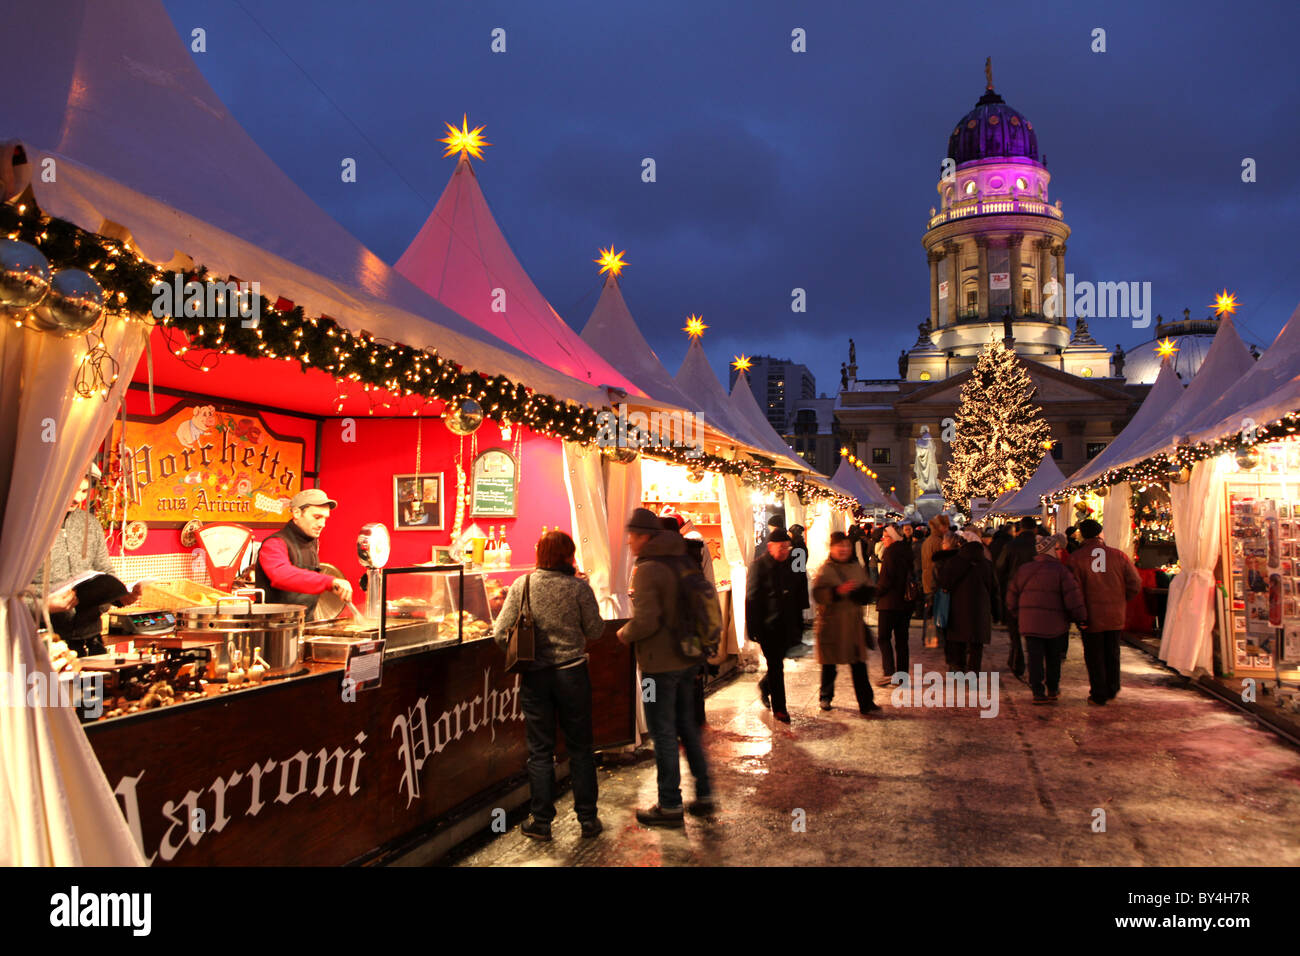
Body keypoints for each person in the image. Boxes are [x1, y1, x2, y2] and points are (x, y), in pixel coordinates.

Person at [492, 531, 605, 840]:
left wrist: (526, 651)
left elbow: (500, 632)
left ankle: (541, 821)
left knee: (540, 750)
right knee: (580, 748)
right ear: (569, 557)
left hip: (536, 677)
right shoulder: (579, 588)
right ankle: (588, 820)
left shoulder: (522, 585)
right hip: (572, 674)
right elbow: (595, 630)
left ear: (540, 554)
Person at [618, 508, 715, 827]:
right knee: (687, 727)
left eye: (633, 535)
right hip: (687, 658)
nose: (630, 541)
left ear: (646, 536)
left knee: (662, 732)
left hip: (659, 664)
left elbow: (646, 621)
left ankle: (670, 804)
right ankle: (704, 793)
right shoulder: (682, 557)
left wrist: (623, 633)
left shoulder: (648, 568)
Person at [29, 467, 141, 656]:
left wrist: (119, 596)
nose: (77, 499)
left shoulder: (90, 524)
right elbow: (6, 596)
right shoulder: (24, 526)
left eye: (83, 491)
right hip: (42, 644)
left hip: (90, 642)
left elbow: (105, 571)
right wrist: (45, 606)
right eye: (71, 491)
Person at [1067, 518, 1141, 705]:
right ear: (1100, 533)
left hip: (1090, 614)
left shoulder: (1076, 558)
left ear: (1082, 535)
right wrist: (1121, 599)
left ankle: (1099, 691)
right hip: (1115, 613)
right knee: (1112, 651)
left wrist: (1076, 612)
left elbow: (1073, 589)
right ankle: (1112, 686)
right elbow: (1135, 583)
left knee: (1094, 654)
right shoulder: (1118, 555)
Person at [1005, 533, 1087, 703]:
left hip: (1030, 623)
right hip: (1055, 624)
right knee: (1053, 658)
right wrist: (1080, 617)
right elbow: (1073, 597)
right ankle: (1052, 688)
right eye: (1056, 549)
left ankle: (1037, 691)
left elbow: (1012, 596)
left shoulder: (1024, 570)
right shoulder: (1061, 571)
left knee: (1034, 657)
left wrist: (1017, 614)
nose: (1059, 552)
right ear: (1050, 551)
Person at [811, 532, 881, 713]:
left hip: (853, 625)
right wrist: (836, 591)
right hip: (832, 626)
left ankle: (866, 702)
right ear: (832, 548)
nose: (843, 550)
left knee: (859, 666)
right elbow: (818, 594)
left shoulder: (856, 567)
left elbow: (868, 590)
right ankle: (825, 697)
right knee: (829, 665)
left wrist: (862, 593)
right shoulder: (825, 569)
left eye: (847, 546)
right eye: (839, 546)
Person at [254, 488, 353, 614]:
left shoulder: (312, 543)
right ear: (296, 513)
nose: (322, 524)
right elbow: (281, 575)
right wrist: (329, 581)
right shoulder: (274, 543)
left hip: (305, 624)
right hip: (275, 628)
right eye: (317, 517)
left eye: (325, 518)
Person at [746, 527, 803, 723]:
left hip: (787, 624)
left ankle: (764, 686)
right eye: (782, 548)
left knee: (778, 663)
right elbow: (752, 599)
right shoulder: (759, 566)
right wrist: (753, 629)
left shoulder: (790, 565)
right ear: (770, 547)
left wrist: (800, 620)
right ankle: (781, 709)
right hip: (768, 627)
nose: (785, 551)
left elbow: (798, 592)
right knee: (776, 666)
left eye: (787, 547)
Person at [934, 528, 998, 672]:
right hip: (980, 608)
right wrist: (996, 611)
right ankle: (974, 671)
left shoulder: (954, 562)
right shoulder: (986, 564)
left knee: (958, 641)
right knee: (976, 644)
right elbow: (993, 588)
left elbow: (944, 583)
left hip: (958, 607)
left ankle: (958, 668)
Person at [995, 516, 1040, 678]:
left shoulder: (1011, 545)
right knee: (1033, 630)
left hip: (1013, 590)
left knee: (1014, 628)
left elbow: (1000, 567)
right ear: (1035, 529)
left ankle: (1017, 657)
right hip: (1036, 592)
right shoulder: (1040, 545)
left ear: (1019, 529)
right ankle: (1034, 663)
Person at [875, 524, 915, 686]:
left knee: (883, 637)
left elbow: (886, 580)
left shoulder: (890, 553)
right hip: (905, 603)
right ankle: (902, 675)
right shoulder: (906, 550)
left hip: (889, 603)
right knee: (901, 640)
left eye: (885, 537)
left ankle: (889, 672)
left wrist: (875, 592)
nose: (883, 540)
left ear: (891, 538)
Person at [921, 514, 951, 647]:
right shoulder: (938, 541)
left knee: (929, 610)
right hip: (934, 582)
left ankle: (928, 637)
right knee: (935, 611)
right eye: (945, 526)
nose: (947, 529)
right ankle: (935, 638)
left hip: (928, 580)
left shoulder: (928, 540)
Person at [787, 523, 812, 629]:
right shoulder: (800, 545)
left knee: (796, 604)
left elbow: (797, 567)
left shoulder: (797, 547)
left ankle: (798, 625)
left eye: (790, 533)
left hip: (797, 580)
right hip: (799, 579)